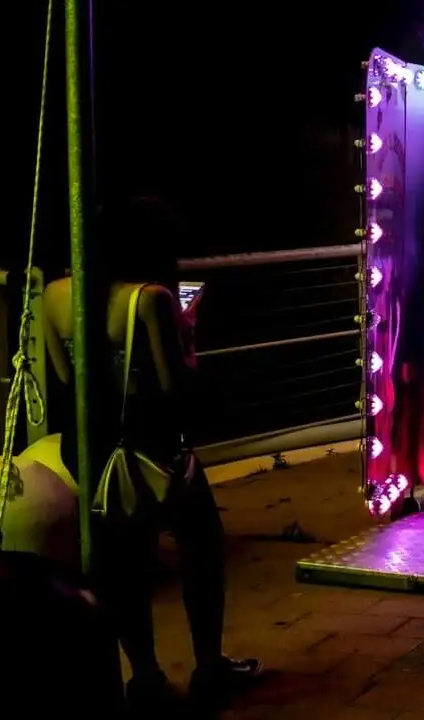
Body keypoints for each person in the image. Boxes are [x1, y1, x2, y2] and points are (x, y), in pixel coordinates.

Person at [41, 198, 260, 711]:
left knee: (121, 564)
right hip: (150, 447)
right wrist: (187, 335)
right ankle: (208, 667)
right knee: (201, 544)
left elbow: (67, 378)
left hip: (89, 447)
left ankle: (144, 675)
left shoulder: (53, 296)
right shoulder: (150, 299)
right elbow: (174, 385)